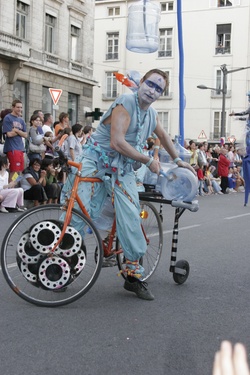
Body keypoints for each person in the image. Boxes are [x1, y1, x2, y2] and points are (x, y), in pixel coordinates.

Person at [61, 68, 195, 301]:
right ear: (141, 82)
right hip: (96, 161)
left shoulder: (151, 114)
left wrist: (178, 161)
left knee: (132, 215)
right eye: (150, 84)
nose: (153, 91)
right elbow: (116, 141)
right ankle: (63, 265)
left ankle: (132, 276)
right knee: (81, 213)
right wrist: (147, 160)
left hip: (122, 169)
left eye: (158, 89)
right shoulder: (125, 101)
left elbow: (163, 136)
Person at [2, 99, 27, 182]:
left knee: (19, 171)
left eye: (21, 107)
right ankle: (10, 188)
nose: (20, 109)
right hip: (12, 148)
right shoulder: (8, 118)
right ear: (13, 107)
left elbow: (26, 135)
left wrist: (16, 130)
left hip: (20, 148)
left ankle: (13, 185)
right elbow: (9, 134)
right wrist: (21, 132)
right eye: (18, 107)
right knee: (13, 170)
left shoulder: (21, 120)